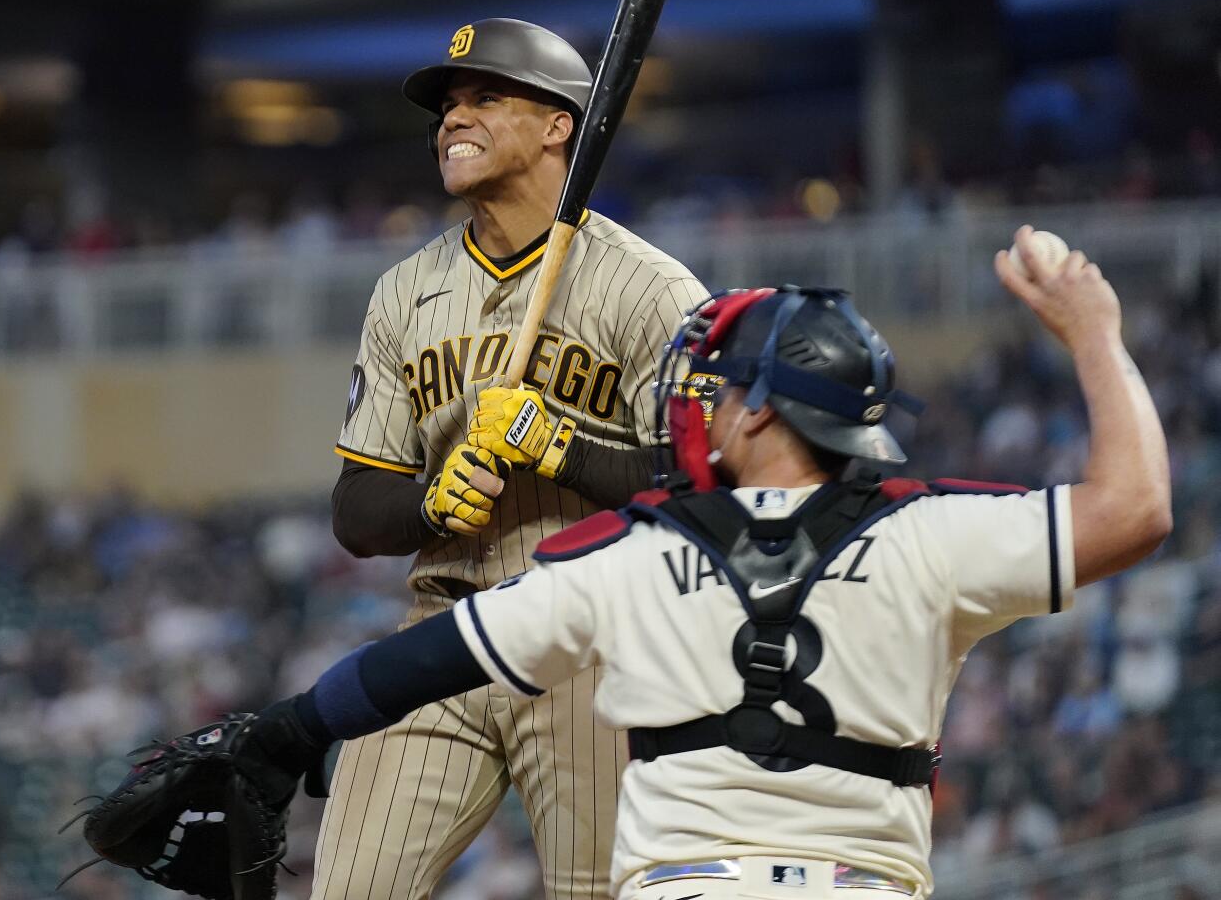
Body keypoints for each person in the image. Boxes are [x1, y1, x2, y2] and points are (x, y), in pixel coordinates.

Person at [246, 226, 1169, 900]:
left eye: (718, 388)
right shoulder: (929, 531)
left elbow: (422, 660)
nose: (700, 404)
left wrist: (286, 730)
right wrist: (1094, 331)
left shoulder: (636, 549)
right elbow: (1136, 510)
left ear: (765, 410)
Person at [324, 17, 709, 900]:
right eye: (447, 106)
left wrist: (560, 444)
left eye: (484, 97)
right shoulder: (405, 291)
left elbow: (707, 490)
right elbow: (354, 506)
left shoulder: (652, 289)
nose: (453, 119)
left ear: (559, 124)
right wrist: (429, 502)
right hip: (442, 631)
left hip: (594, 641)